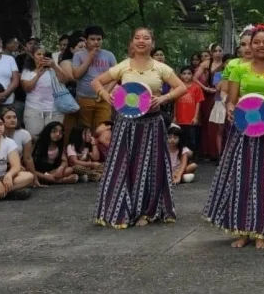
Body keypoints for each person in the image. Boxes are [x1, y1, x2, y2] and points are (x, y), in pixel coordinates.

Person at [202, 24, 264, 250]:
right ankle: (241, 230)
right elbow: (231, 100)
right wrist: (230, 109)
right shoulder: (238, 70)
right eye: (257, 42)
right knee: (240, 177)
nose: (261, 46)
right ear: (250, 46)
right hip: (243, 130)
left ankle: (262, 230)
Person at [91, 27, 186, 228]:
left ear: (152, 43)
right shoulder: (124, 66)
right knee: (122, 165)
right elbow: (96, 82)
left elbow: (182, 87)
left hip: (152, 124)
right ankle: (120, 209)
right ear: (132, 42)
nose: (141, 41)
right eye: (137, 37)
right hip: (126, 124)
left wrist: (164, 98)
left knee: (150, 167)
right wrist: (105, 95)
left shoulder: (161, 68)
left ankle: (147, 211)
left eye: (146, 38)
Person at [72, 25, 118, 131]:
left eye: (99, 39)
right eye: (92, 39)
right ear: (86, 40)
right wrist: (90, 57)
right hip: (84, 98)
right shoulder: (78, 55)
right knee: (85, 130)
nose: (96, 42)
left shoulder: (109, 55)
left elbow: (116, 75)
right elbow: (76, 75)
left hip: (104, 99)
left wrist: (105, 92)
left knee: (103, 129)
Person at [20, 44, 68, 139]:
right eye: (39, 54)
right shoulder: (27, 71)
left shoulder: (53, 69)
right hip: (34, 109)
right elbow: (27, 88)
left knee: (53, 137)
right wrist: (38, 75)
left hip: (54, 109)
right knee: (34, 137)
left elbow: (64, 80)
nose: (42, 56)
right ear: (32, 55)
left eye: (44, 54)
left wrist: (54, 66)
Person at [193, 43, 225, 160]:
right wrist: (205, 88)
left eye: (220, 50)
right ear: (211, 53)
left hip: (222, 95)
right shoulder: (207, 63)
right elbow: (195, 78)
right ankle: (209, 151)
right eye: (215, 51)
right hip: (209, 95)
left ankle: (220, 152)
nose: (218, 53)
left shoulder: (227, 64)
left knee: (221, 124)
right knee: (209, 123)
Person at [24, 121, 78, 186]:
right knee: (29, 173)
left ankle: (47, 180)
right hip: (35, 171)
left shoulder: (59, 146)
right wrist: (44, 176)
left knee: (69, 169)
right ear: (48, 131)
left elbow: (64, 161)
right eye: (54, 131)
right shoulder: (37, 143)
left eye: (60, 132)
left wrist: (61, 168)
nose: (58, 134)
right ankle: (60, 181)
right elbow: (27, 163)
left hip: (50, 172)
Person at [173, 66, 205, 157]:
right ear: (180, 75)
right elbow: (175, 103)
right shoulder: (178, 87)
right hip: (179, 119)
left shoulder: (197, 88)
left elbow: (198, 103)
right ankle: (181, 158)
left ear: (192, 75)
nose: (186, 76)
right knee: (180, 139)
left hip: (190, 119)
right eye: (184, 74)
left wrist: (196, 117)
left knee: (191, 140)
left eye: (189, 73)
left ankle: (191, 158)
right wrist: (174, 116)